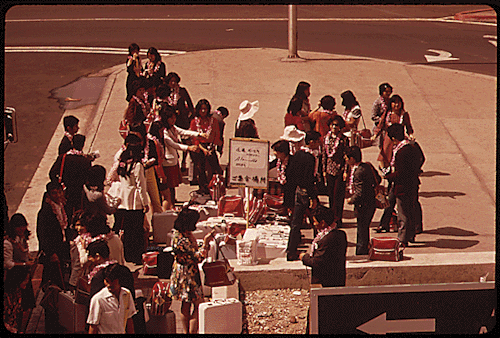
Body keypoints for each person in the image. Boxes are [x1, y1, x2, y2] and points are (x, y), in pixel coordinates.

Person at [167, 208, 216, 334]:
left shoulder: (180, 234)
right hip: (188, 274)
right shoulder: (183, 239)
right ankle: (192, 331)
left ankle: (186, 331)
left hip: (182, 272)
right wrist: (205, 243)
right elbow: (198, 257)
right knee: (199, 304)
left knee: (186, 304)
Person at [271, 140, 318, 261]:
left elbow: (294, 183)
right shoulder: (301, 159)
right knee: (307, 222)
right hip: (301, 195)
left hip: (299, 195)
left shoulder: (294, 160)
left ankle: (293, 251)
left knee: (301, 223)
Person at [113, 133, 150, 264]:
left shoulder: (122, 162)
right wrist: (145, 203)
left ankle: (128, 254)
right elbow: (141, 185)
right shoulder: (137, 165)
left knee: (127, 230)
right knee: (136, 230)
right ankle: (136, 254)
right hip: (135, 201)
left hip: (123, 200)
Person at [385, 123, 422, 245]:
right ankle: (411, 235)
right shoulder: (413, 146)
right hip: (413, 183)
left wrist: (387, 176)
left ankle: (403, 238)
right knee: (411, 210)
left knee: (403, 213)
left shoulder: (401, 152)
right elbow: (422, 158)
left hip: (402, 186)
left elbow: (400, 173)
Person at [159, 106, 201, 210]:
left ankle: (172, 204)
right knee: (169, 188)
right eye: (171, 118)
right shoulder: (164, 132)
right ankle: (170, 207)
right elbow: (174, 144)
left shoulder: (172, 128)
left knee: (172, 187)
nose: (173, 120)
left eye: (174, 117)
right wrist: (189, 148)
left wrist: (198, 134)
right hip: (167, 162)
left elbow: (183, 132)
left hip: (173, 161)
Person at [49, 134, 93, 223]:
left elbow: (52, 173)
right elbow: (88, 179)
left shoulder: (63, 158)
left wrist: (59, 187)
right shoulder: (85, 161)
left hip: (65, 192)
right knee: (78, 215)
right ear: (82, 145)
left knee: (64, 214)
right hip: (79, 193)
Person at [345, 146, 381, 255]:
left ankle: (361, 251)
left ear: (352, 159)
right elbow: (378, 179)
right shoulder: (367, 166)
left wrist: (351, 200)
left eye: (347, 157)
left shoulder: (358, 172)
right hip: (371, 202)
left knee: (362, 229)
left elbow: (359, 193)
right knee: (364, 227)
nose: (345, 159)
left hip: (363, 204)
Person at [4, 213, 36, 333]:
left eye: (23, 226)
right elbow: (8, 264)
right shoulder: (8, 243)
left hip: (24, 276)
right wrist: (24, 264)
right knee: (13, 308)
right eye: (18, 227)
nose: (21, 229)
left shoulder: (22, 240)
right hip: (14, 279)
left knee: (23, 307)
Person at [299, 206, 347, 287]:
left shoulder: (326, 240)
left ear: (323, 222)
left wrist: (304, 257)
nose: (314, 224)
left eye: (315, 221)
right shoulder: (341, 234)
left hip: (326, 281)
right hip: (339, 278)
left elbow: (317, 262)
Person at [37, 181, 71, 289]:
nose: (58, 195)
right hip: (52, 251)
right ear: (49, 195)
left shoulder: (61, 206)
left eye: (60, 192)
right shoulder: (45, 212)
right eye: (54, 193)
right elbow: (42, 235)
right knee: (54, 279)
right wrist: (51, 253)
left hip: (61, 246)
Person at [87, 263, 136, 334]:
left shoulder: (126, 294)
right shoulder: (98, 299)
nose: (109, 285)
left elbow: (129, 320)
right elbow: (93, 327)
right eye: (107, 281)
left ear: (119, 280)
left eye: (113, 281)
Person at [189, 99, 223, 195]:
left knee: (215, 169)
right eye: (201, 109)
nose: (203, 111)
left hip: (211, 147)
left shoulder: (213, 121)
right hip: (200, 148)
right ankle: (203, 188)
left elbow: (217, 135)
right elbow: (194, 138)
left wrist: (213, 147)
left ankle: (214, 188)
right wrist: (203, 149)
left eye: (205, 109)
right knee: (201, 169)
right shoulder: (194, 122)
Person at [164, 72, 195, 173]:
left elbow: (190, 104)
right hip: (171, 120)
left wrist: (190, 116)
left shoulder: (182, 91)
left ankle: (184, 161)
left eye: (174, 81)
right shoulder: (166, 92)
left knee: (185, 140)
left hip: (183, 120)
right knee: (172, 141)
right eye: (171, 81)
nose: (173, 83)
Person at [372, 94, 414, 169]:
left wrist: (410, 134)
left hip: (400, 137)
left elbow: (408, 126)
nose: (397, 105)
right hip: (389, 138)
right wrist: (375, 135)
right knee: (385, 154)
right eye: (394, 102)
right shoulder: (387, 114)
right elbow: (380, 125)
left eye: (399, 103)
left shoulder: (404, 114)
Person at [322, 115, 349, 227]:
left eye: (336, 125)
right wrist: (323, 169)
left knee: (338, 195)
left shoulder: (343, 139)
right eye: (332, 125)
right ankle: (331, 218)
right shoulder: (326, 138)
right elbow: (324, 155)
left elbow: (346, 156)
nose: (334, 127)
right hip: (329, 169)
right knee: (330, 195)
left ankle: (338, 218)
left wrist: (346, 171)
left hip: (339, 170)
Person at [144, 120, 166, 214]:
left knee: (155, 200)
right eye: (161, 131)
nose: (162, 133)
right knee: (157, 198)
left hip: (154, 171)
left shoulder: (155, 140)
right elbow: (157, 160)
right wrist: (161, 175)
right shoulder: (153, 142)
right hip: (153, 172)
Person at [371, 83, 393, 147]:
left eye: (389, 91)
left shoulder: (391, 101)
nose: (388, 93)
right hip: (380, 129)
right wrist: (383, 120)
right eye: (386, 92)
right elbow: (373, 116)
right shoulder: (377, 103)